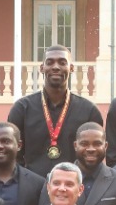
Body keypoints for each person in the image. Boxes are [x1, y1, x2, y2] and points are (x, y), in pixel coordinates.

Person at [8, 45, 104, 178]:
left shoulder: (89, 111)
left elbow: (95, 155)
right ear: (42, 68)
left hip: (74, 186)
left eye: (62, 62)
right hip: (32, 186)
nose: (56, 67)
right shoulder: (22, 109)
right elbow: (14, 155)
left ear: (71, 68)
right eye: (50, 62)